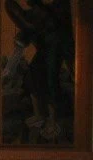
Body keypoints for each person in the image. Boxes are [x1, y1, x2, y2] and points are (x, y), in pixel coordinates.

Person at [4, 0, 75, 142]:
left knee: (50, 82)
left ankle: (52, 120)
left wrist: (72, 64)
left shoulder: (51, 13)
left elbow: (61, 36)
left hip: (55, 48)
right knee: (31, 76)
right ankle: (38, 115)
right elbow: (27, 32)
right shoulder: (29, 16)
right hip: (44, 48)